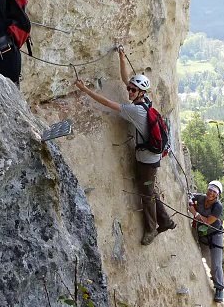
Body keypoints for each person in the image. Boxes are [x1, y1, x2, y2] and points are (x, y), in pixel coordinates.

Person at [73, 45, 176, 245]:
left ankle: (151, 229)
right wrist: (121, 57)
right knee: (150, 189)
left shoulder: (136, 111)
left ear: (140, 92)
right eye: (129, 88)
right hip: (150, 158)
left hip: (147, 161)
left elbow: (107, 104)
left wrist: (85, 89)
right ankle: (165, 221)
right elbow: (125, 78)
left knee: (146, 195)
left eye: (132, 90)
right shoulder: (145, 100)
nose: (128, 91)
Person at [190, 180, 224, 303]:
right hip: (203, 235)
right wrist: (190, 201)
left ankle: (219, 289)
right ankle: (214, 278)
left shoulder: (218, 206)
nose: (211, 193)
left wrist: (195, 213)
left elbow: (207, 222)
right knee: (208, 261)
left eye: (214, 192)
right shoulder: (201, 198)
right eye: (210, 190)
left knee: (216, 263)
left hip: (215, 234)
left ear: (217, 195)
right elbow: (190, 196)